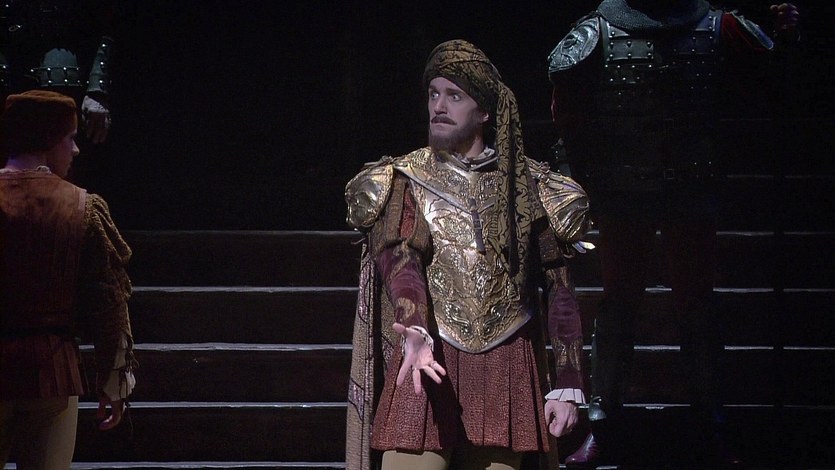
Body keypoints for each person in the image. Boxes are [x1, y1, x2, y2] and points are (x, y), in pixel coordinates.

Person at [546, 1, 799, 466]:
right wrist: (574, 183)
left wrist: (785, 39)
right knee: (618, 309)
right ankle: (603, 424)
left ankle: (711, 424)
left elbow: (771, 82)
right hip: (624, 189)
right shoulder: (600, 30)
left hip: (692, 188)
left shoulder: (718, 26)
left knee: (698, 310)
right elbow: (569, 112)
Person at [344, 39, 593, 470]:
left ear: (485, 112)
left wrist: (569, 382)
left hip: (505, 361)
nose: (439, 106)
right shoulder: (408, 178)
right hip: (428, 357)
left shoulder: (528, 186)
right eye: (433, 94)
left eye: (454, 96)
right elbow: (400, 261)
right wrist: (414, 325)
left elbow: (560, 288)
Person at [0, 90, 136, 468]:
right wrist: (114, 382)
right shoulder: (82, 207)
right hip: (52, 373)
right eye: (70, 138)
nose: (75, 150)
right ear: (48, 139)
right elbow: (108, 301)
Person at [1, 0, 120, 188]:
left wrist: (97, 89)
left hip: (67, 83)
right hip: (12, 80)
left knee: (68, 180)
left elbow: (107, 22)